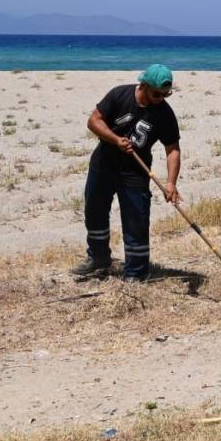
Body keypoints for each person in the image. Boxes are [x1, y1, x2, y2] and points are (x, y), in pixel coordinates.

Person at [70, 64, 182, 281]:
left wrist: (171, 183)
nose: (162, 98)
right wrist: (115, 140)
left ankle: (136, 273)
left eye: (166, 94)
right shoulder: (119, 95)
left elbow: (173, 149)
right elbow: (93, 121)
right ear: (144, 84)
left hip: (135, 173)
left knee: (136, 221)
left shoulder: (165, 113)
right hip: (103, 165)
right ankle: (98, 258)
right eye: (157, 93)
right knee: (95, 211)